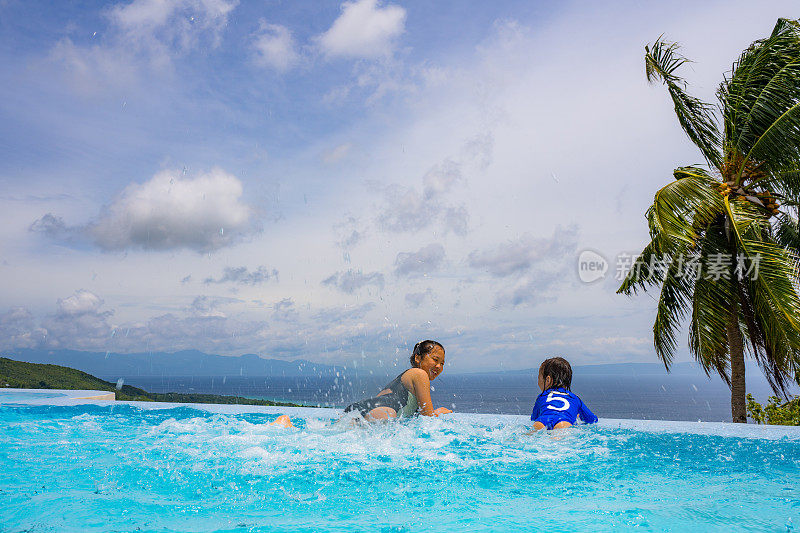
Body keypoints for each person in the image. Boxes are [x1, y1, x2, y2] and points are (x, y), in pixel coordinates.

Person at [270, 340, 451, 428]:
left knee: (329, 437)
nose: (438, 366)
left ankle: (286, 424)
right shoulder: (419, 374)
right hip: (382, 412)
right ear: (418, 358)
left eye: (442, 363)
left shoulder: (402, 378)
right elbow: (427, 419)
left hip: (366, 408)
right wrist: (438, 413)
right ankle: (285, 424)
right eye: (435, 359)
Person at [529, 357, 597, 430]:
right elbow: (592, 420)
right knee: (559, 439)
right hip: (563, 422)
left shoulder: (542, 396)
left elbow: (533, 418)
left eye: (539, 378)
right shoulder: (574, 398)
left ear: (548, 380)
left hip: (541, 421)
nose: (538, 382)